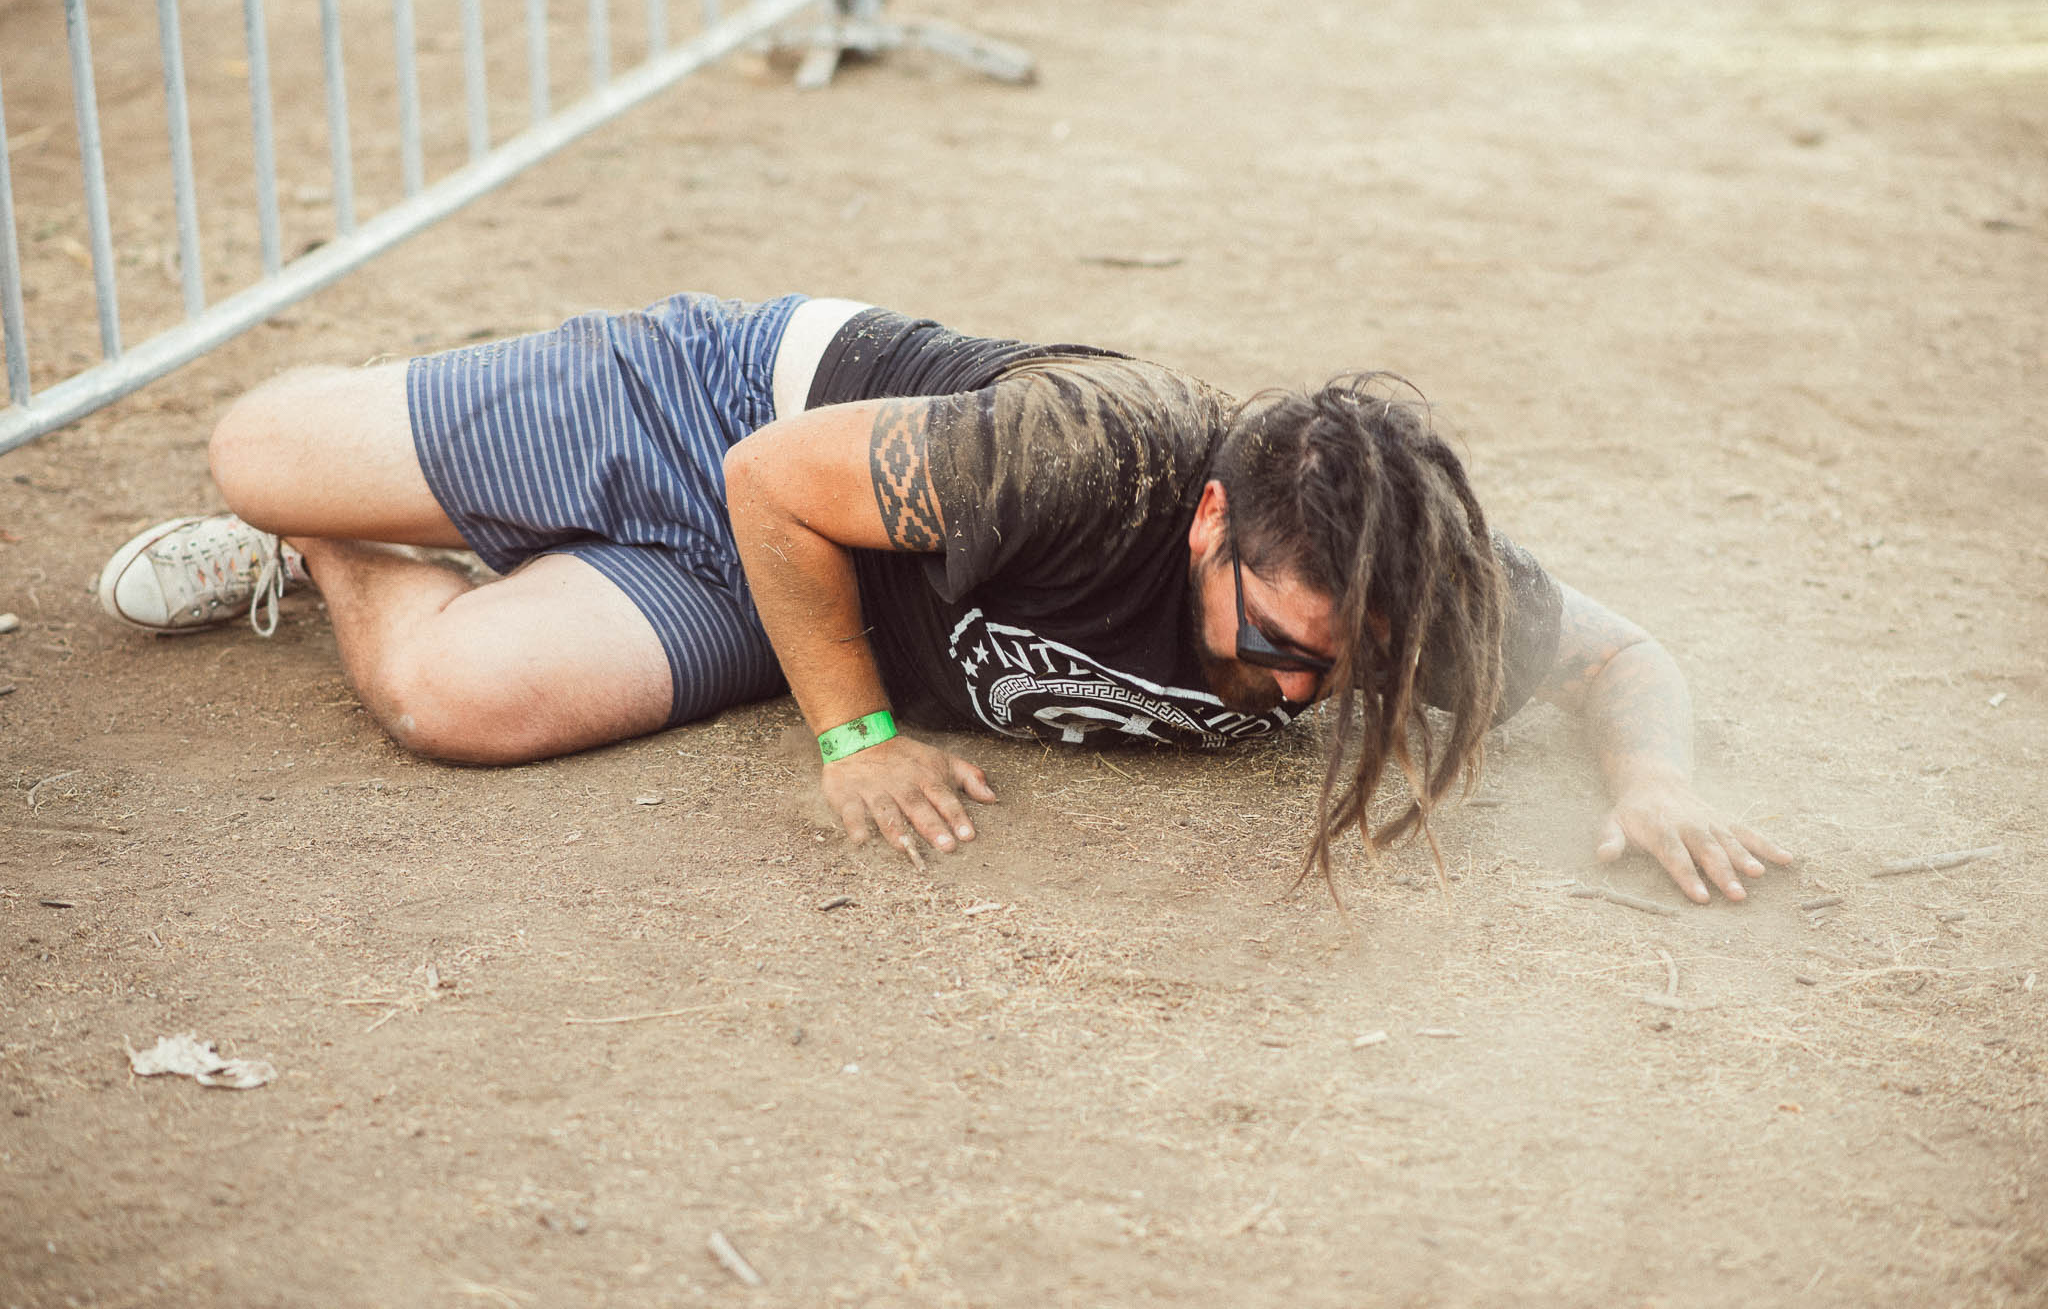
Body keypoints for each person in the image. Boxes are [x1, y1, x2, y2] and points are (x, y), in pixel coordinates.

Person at [95, 290, 1790, 904]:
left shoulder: (1394, 589)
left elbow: (1617, 654)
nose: (1289, 696)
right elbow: (776, 482)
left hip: (797, 585)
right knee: (257, 448)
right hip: (743, 424)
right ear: (1205, 522)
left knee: (455, 706)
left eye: (1326, 678)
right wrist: (855, 739)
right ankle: (370, 472)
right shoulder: (1092, 454)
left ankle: (356, 553)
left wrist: (1654, 780)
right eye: (1271, 645)